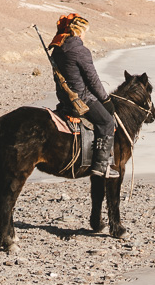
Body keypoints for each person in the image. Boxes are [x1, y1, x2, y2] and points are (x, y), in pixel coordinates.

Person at [47, 13, 118, 178]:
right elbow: (93, 80)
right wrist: (106, 100)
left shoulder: (57, 49)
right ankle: (101, 166)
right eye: (85, 31)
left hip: (64, 98)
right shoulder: (80, 50)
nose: (85, 35)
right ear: (79, 32)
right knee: (107, 122)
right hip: (81, 100)